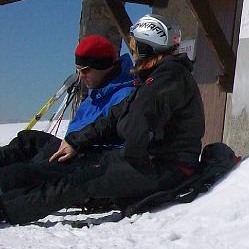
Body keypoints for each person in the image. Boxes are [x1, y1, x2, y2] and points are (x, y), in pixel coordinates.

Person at [0, 14, 205, 226]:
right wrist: (77, 141)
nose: (132, 52)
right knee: (78, 172)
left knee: (81, 180)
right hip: (150, 161)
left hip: (165, 167)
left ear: (147, 48)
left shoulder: (166, 78)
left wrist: (117, 169)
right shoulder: (158, 76)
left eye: (135, 46)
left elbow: (137, 126)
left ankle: (6, 210)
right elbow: (116, 115)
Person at [0, 35, 135, 169]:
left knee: (18, 174)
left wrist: (77, 146)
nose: (81, 76)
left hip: (89, 159)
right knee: (29, 140)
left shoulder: (125, 96)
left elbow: (116, 138)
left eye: (86, 70)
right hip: (71, 149)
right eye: (78, 70)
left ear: (103, 66)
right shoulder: (97, 93)